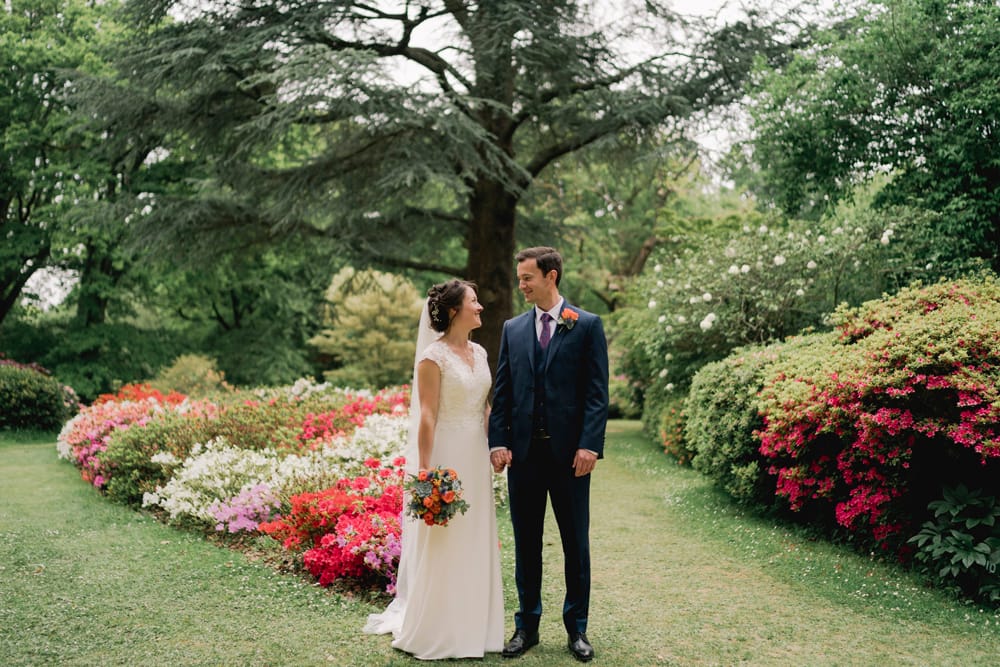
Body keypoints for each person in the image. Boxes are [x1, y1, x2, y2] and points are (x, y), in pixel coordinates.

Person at [364, 280, 504, 660]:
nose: (480, 307)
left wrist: (495, 446)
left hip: (475, 454)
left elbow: (485, 407)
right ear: (455, 310)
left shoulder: (480, 352)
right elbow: (427, 415)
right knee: (445, 540)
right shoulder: (432, 357)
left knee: (474, 536)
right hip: (447, 455)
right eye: (474, 301)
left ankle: (477, 627)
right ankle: (438, 628)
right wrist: (426, 472)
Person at [489, 247, 609, 662]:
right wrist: (497, 441)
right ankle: (527, 627)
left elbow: (596, 393)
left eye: (527, 277)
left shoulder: (586, 325)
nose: (521, 284)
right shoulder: (513, 329)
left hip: (570, 458)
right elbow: (503, 391)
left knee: (576, 543)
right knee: (526, 544)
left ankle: (577, 629)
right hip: (523, 458)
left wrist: (590, 444)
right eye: (519, 277)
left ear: (550, 276)